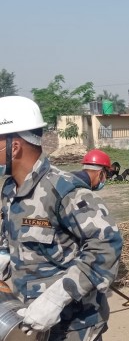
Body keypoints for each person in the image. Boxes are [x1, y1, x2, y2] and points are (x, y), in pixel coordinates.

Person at [0, 96, 122, 341]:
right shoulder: (10, 190)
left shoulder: (63, 190)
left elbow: (107, 244)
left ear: (15, 146)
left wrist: (58, 297)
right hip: (29, 319)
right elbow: (9, 239)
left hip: (74, 325)